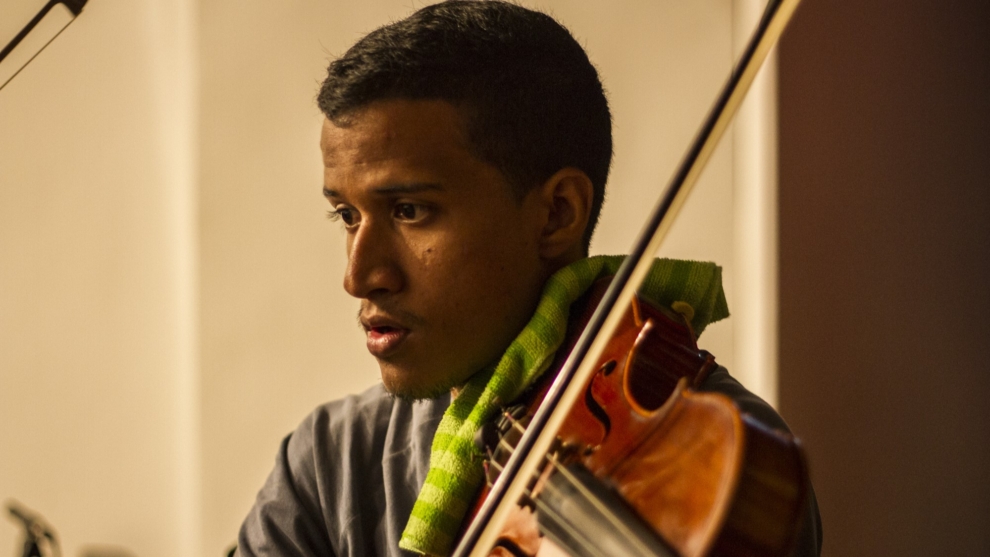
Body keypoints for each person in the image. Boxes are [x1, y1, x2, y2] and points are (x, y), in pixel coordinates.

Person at [236, 2, 822, 556]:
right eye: (347, 216)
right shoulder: (328, 464)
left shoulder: (712, 461)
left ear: (557, 213)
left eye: (410, 211)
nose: (360, 276)